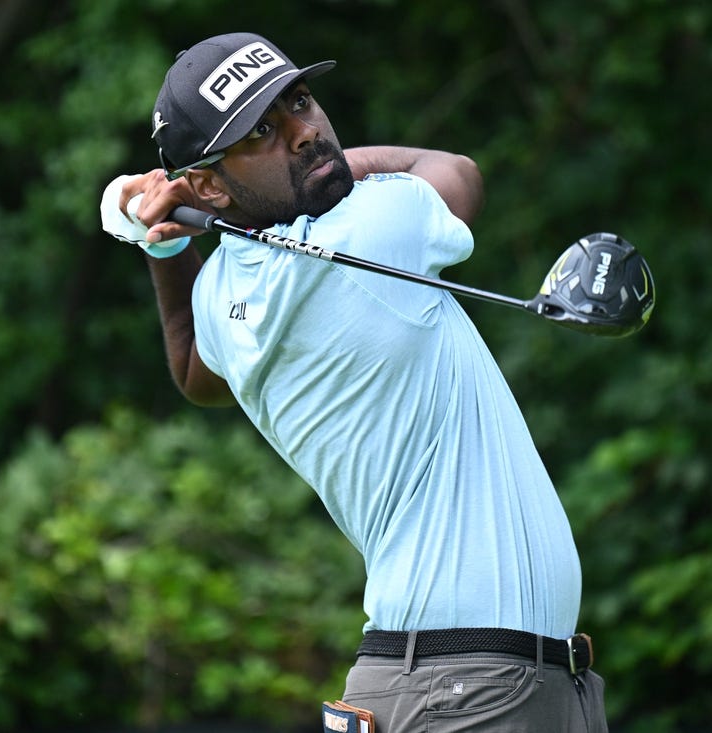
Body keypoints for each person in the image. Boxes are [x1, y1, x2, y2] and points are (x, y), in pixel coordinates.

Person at [99, 32, 608, 733]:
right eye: (264, 131)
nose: (306, 132)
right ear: (208, 182)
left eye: (300, 102)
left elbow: (192, 366)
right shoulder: (374, 226)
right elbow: (456, 171)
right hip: (471, 687)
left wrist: (169, 239)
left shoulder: (221, 294)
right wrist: (331, 167)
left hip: (455, 680)